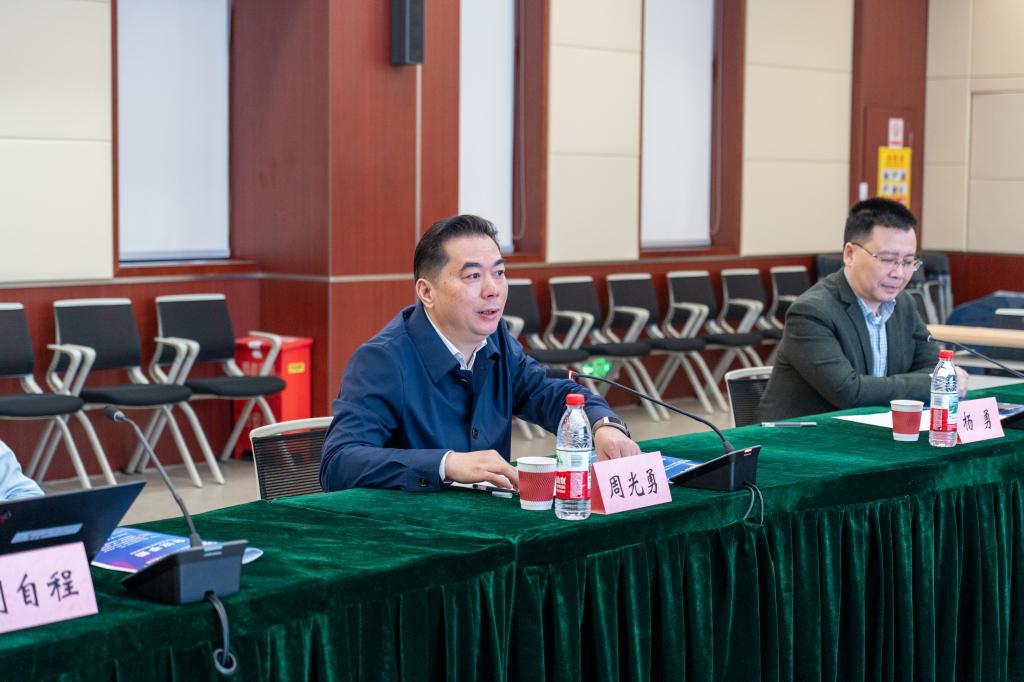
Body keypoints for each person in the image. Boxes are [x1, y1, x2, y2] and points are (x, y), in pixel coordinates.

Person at [320, 214, 641, 492]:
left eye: (499, 273)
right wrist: (446, 464)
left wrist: (602, 424)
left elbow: (548, 392)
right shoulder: (383, 361)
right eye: (473, 276)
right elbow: (338, 463)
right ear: (427, 292)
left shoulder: (496, 340)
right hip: (411, 532)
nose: (493, 290)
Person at [759, 198, 968, 421]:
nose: (899, 273)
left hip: (876, 430)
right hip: (806, 435)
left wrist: (931, 379)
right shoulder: (811, 312)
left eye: (908, 262)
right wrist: (937, 382)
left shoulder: (903, 304)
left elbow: (931, 365)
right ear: (849, 254)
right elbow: (849, 392)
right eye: (887, 259)